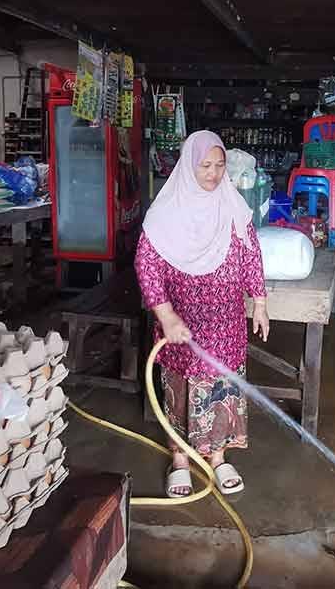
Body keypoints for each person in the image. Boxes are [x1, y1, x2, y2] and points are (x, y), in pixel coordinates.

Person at [135, 130, 270, 497]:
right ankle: (180, 459)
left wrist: (259, 301)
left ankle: (218, 457)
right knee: (180, 387)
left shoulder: (232, 206)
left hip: (225, 322)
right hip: (181, 322)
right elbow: (147, 265)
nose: (213, 173)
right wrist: (165, 315)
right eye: (205, 165)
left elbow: (250, 255)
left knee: (222, 386)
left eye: (219, 165)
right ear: (188, 166)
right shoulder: (165, 212)